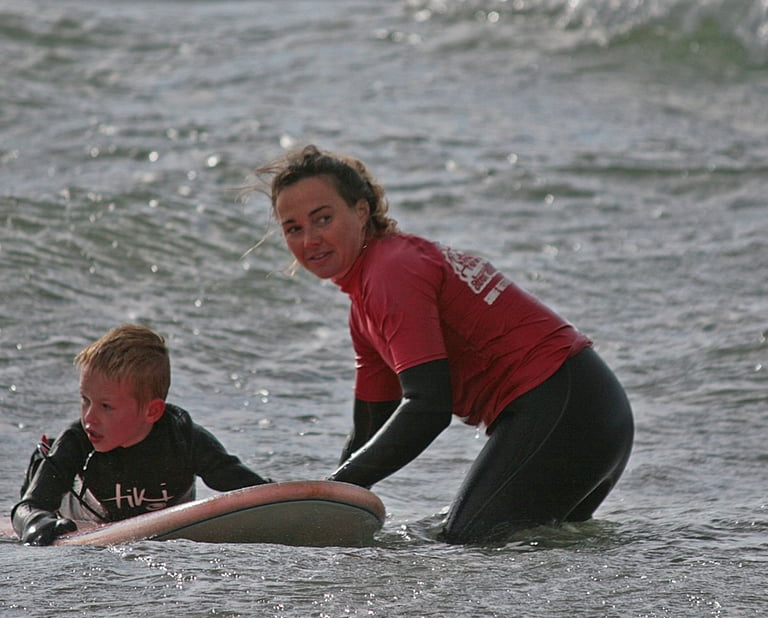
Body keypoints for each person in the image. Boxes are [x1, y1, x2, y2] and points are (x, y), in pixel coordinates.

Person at [253, 143, 634, 545]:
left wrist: (330, 490)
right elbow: (370, 429)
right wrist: (328, 503)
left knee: (469, 547)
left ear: (361, 211)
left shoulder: (390, 272)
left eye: (323, 219)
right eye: (293, 228)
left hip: (563, 410)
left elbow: (428, 407)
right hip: (588, 411)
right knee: (524, 554)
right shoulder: (366, 303)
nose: (310, 239)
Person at [12, 323, 271, 546]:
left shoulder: (182, 438)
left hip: (153, 518)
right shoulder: (77, 441)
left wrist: (280, 499)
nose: (89, 417)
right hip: (79, 514)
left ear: (152, 411)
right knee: (47, 456)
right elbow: (27, 508)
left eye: (106, 406)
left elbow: (248, 488)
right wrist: (36, 523)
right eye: (85, 400)